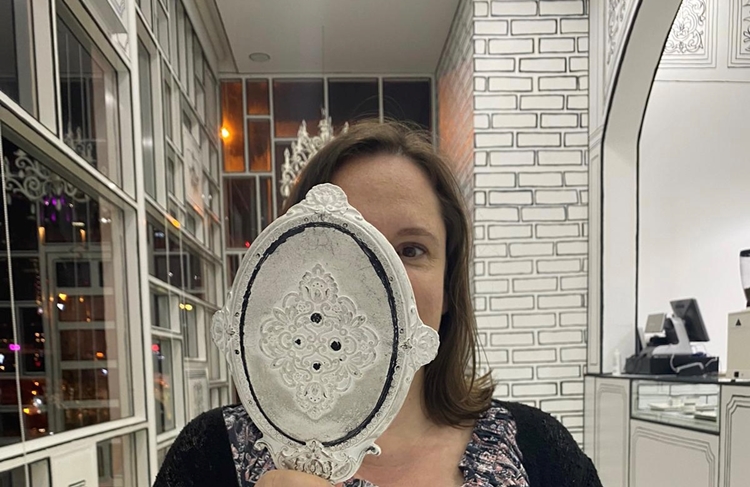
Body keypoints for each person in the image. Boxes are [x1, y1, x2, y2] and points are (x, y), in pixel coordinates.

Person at [154, 121, 602, 487]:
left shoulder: (542, 450)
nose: (381, 276)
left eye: (411, 250)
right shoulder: (207, 455)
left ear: (448, 286)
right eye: (347, 242)